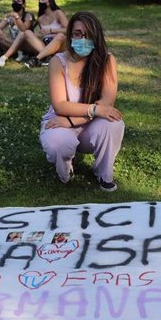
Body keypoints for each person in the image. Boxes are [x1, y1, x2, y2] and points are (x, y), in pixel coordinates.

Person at [39, 11, 124, 192]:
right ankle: (65, 167)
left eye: (88, 34)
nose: (82, 39)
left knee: (113, 124)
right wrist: (93, 111)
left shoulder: (107, 60)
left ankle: (103, 173)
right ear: (70, 35)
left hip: (78, 122)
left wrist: (72, 120)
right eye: (77, 33)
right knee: (58, 142)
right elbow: (60, 105)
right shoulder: (58, 62)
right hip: (59, 121)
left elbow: (107, 103)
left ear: (96, 36)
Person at [0, 0, 67, 68]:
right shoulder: (40, 18)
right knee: (26, 32)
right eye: (39, 0)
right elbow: (26, 31)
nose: (40, 2)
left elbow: (69, 29)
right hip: (45, 47)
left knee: (60, 35)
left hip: (60, 44)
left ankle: (36, 58)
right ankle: (3, 58)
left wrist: (52, 31)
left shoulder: (58, 13)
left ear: (50, 0)